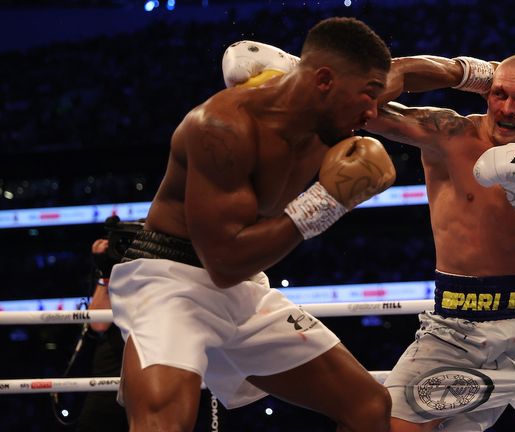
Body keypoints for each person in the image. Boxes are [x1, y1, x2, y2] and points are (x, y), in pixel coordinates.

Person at [222, 44, 515, 431]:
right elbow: (373, 98)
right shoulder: (448, 134)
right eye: (498, 94)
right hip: (454, 333)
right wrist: (464, 71)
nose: (506, 108)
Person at [108, 17, 396, 432]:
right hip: (171, 281)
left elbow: (411, 72)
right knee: (164, 424)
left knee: (368, 406)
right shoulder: (222, 128)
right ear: (325, 80)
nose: (373, 112)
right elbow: (224, 262)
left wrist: (478, 75)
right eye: (368, 96)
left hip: (244, 289)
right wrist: (327, 202)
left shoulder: (333, 110)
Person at [76, 237, 128, 432]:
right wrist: (106, 272)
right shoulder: (110, 273)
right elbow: (98, 323)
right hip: (112, 365)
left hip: (149, 359)